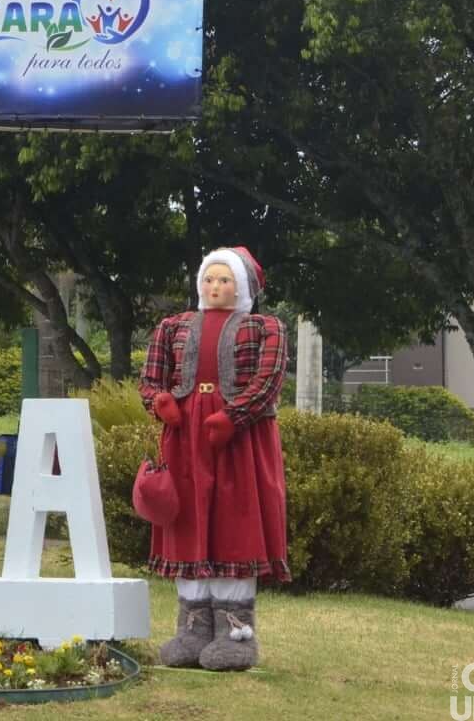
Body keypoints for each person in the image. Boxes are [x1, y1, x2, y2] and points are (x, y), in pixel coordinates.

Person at [138, 246, 289, 671]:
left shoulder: (266, 328)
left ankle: (236, 635)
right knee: (185, 521)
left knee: (234, 522)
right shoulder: (172, 326)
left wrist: (236, 414)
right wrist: (159, 402)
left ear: (241, 287)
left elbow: (269, 380)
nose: (215, 286)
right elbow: (150, 377)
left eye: (224, 280)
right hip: (185, 438)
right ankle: (192, 630)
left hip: (238, 438)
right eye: (209, 279)